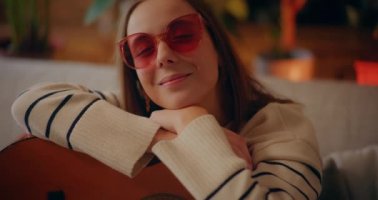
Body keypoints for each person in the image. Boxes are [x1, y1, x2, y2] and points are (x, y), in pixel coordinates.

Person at [11, 0, 322, 199]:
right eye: (143, 48)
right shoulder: (132, 114)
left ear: (220, 51)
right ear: (135, 74)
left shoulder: (282, 125)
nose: (163, 57)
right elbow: (29, 104)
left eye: (182, 34)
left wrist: (196, 125)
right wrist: (164, 134)